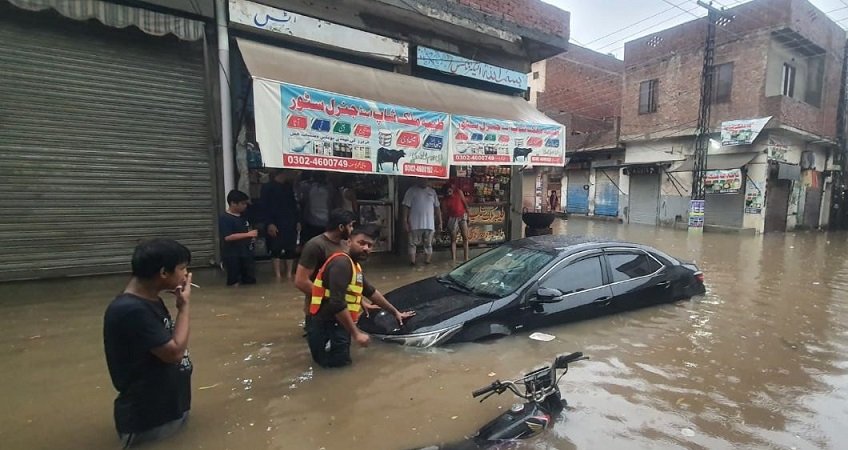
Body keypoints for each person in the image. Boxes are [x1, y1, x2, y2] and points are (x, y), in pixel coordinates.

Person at [103, 239, 193, 448]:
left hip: (168, 410)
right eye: (182, 268)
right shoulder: (130, 310)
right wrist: (184, 307)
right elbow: (174, 352)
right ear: (163, 273)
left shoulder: (150, 300)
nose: (186, 274)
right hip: (149, 421)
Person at [306, 225, 415, 367]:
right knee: (335, 370)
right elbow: (336, 304)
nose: (366, 248)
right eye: (361, 243)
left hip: (337, 326)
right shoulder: (341, 264)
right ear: (348, 242)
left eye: (370, 245)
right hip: (327, 327)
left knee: (338, 367)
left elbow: (371, 292)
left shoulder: (353, 266)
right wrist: (356, 333)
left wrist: (396, 313)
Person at [294, 209, 356, 319]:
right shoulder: (315, 245)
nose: (352, 229)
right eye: (350, 226)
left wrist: (360, 301)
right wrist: (331, 298)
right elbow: (301, 281)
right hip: (319, 311)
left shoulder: (344, 244)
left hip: (341, 309)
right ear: (341, 227)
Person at [261, 170, 300, 280]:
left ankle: (288, 274)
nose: (295, 175)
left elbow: (294, 206)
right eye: (294, 173)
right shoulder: (268, 187)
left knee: (290, 248)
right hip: (275, 222)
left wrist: (297, 221)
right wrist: (269, 223)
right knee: (276, 248)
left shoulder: (288, 187)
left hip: (290, 222)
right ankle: (277, 275)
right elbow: (264, 208)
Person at [219, 190, 257, 286]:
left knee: (250, 281)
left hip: (247, 253)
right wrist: (248, 235)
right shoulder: (225, 218)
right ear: (233, 203)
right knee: (234, 282)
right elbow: (227, 237)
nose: (245, 206)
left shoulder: (244, 216)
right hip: (233, 255)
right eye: (242, 203)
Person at [402, 178, 442, 265]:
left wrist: (440, 222)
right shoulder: (411, 191)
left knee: (428, 244)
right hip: (414, 224)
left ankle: (427, 262)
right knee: (412, 244)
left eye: (426, 180)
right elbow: (406, 207)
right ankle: (412, 263)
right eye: (422, 180)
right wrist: (405, 221)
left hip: (429, 224)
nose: (424, 181)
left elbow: (437, 208)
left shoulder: (432, 192)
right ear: (418, 180)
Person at [299, 171, 342, 244]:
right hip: (325, 220)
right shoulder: (330, 188)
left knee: (311, 241)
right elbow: (335, 202)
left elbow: (301, 197)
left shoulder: (307, 187)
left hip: (311, 220)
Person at [442, 183, 470, 263]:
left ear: (452, 189)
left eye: (450, 191)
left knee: (465, 237)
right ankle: (453, 259)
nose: (449, 193)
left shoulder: (459, 192)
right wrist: (446, 223)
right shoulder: (444, 200)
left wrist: (468, 216)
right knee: (453, 239)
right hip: (452, 218)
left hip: (462, 216)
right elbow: (445, 213)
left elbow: (465, 204)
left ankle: (466, 257)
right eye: (447, 192)